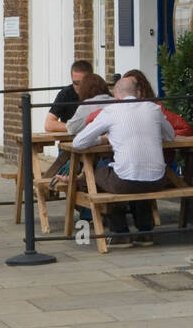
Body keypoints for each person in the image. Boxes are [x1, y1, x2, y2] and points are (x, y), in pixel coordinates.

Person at [71, 73, 174, 247]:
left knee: (98, 172)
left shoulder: (111, 111)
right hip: (158, 180)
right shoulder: (153, 109)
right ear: (139, 92)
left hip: (125, 182)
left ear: (116, 96)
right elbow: (170, 136)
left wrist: (102, 139)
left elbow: (78, 142)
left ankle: (120, 233)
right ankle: (145, 232)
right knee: (137, 175)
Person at [44, 60, 92, 132]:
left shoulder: (100, 92)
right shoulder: (66, 93)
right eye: (76, 83)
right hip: (71, 140)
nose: (80, 86)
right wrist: (75, 127)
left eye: (84, 82)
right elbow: (49, 124)